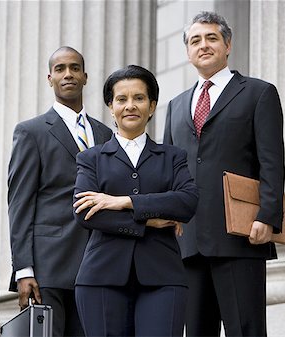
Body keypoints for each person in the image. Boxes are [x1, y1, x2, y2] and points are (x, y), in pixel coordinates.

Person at [163, 11, 285, 337]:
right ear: (188, 51)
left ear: (227, 45)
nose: (203, 45)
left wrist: (267, 216)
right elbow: (170, 171)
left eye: (211, 38)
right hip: (187, 243)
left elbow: (272, 161)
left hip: (240, 236)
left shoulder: (258, 93)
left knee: (245, 331)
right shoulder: (176, 106)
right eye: (195, 40)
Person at [72, 65, 199, 337]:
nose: (130, 106)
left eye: (139, 98)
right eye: (122, 99)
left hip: (163, 277)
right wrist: (148, 221)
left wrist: (124, 202)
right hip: (101, 278)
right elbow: (86, 213)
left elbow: (187, 201)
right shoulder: (91, 159)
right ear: (111, 106)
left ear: (152, 106)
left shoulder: (173, 156)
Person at [7, 46, 112, 336]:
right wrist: (23, 270)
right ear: (49, 78)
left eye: (75, 68)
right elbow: (19, 204)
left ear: (86, 77)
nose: (68, 74)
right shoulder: (31, 132)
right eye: (61, 69)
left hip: (98, 262)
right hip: (48, 266)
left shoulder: (105, 134)